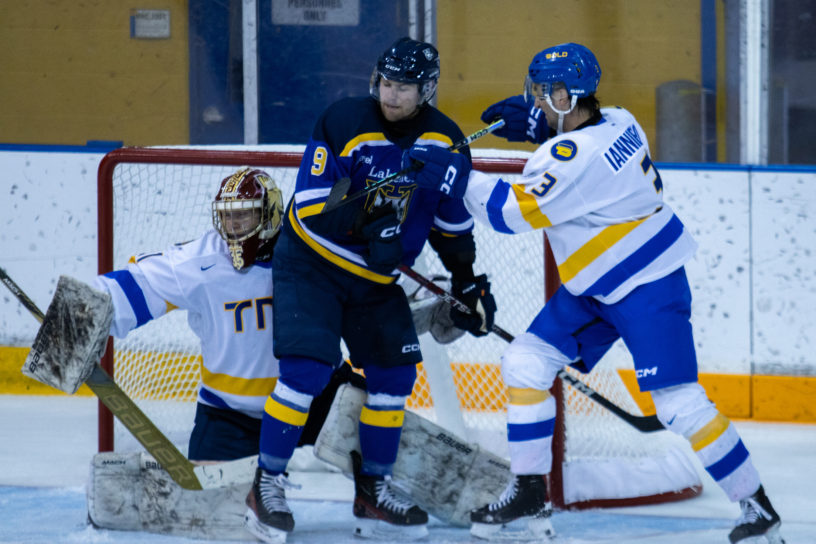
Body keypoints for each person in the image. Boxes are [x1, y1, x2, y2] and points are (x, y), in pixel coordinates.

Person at [406, 43, 785, 544]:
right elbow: (577, 150)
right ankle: (530, 493)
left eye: (544, 93)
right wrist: (541, 126)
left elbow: (510, 213)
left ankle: (757, 509)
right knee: (526, 362)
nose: (536, 100)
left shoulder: (574, 158)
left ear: (565, 95)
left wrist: (454, 176)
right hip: (595, 286)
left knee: (677, 404)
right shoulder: (621, 120)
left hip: (647, 284)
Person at [244, 37, 497, 543]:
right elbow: (316, 200)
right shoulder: (343, 120)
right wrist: (371, 222)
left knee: (394, 376)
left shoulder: (446, 140)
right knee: (306, 372)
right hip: (312, 264)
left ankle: (373, 490)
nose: (392, 95)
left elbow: (451, 222)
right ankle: (266, 484)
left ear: (425, 89)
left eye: (404, 87)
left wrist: (467, 281)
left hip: (375, 280)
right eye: (386, 83)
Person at [93, 166, 361, 462]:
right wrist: (81, 312)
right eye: (226, 215)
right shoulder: (203, 261)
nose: (232, 226)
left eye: (243, 215)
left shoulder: (311, 249)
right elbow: (139, 284)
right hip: (230, 416)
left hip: (318, 401)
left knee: (381, 469)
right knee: (203, 503)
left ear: (269, 212)